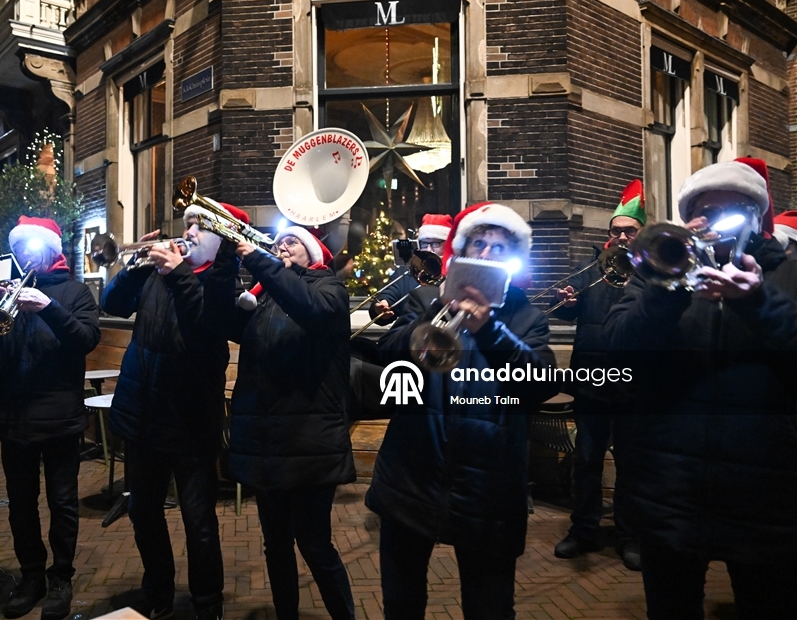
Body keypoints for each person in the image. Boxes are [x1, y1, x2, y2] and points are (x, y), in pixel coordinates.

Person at [605, 158, 797, 620]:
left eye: (734, 209)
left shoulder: (790, 275)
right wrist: (665, 288)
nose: (719, 221)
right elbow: (616, 352)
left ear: (758, 218)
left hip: (766, 501)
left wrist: (758, 302)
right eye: (705, 212)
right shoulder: (656, 275)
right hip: (670, 496)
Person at [367, 202, 558, 620]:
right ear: (463, 252)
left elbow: (541, 382)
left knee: (488, 606)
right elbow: (386, 354)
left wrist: (490, 328)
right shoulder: (428, 300)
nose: (486, 255)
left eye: (498, 248)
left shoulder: (527, 316)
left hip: (486, 489)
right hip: (412, 477)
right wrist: (428, 321)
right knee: (401, 603)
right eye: (478, 245)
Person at [101, 203, 246, 620]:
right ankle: (158, 591)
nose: (191, 231)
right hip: (143, 411)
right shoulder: (157, 271)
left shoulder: (219, 283)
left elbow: (204, 330)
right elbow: (113, 304)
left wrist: (177, 271)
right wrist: (134, 265)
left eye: (201, 226)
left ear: (219, 241)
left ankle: (207, 603)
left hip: (190, 419)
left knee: (198, 520)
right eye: (188, 224)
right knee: (142, 511)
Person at [206, 225, 356, 620]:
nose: (281, 247)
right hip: (267, 441)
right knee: (275, 544)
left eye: (291, 242)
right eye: (277, 243)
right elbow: (220, 317)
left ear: (312, 253)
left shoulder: (328, 288)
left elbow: (311, 308)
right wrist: (225, 257)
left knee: (315, 544)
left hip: (309, 443)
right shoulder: (266, 297)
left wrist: (260, 261)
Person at [0, 216, 100, 620]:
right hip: (14, 414)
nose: (25, 255)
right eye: (20, 248)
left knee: (62, 503)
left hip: (59, 415)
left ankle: (61, 577)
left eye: (32, 248)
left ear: (51, 250)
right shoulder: (8, 290)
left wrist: (49, 307)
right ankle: (31, 576)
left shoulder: (75, 291)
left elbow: (85, 341)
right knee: (20, 504)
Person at [551, 180, 645, 570]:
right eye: (616, 231)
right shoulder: (589, 264)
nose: (621, 237)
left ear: (640, 234)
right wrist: (566, 299)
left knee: (631, 463)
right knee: (586, 460)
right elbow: (568, 310)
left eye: (629, 231)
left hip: (632, 382)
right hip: (591, 380)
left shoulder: (649, 268)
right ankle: (582, 530)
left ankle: (631, 535)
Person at [369, 214, 452, 325]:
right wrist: (383, 304)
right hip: (410, 337)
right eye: (424, 243)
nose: (428, 249)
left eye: (436, 243)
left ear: (448, 244)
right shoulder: (408, 271)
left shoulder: (455, 273)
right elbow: (391, 292)